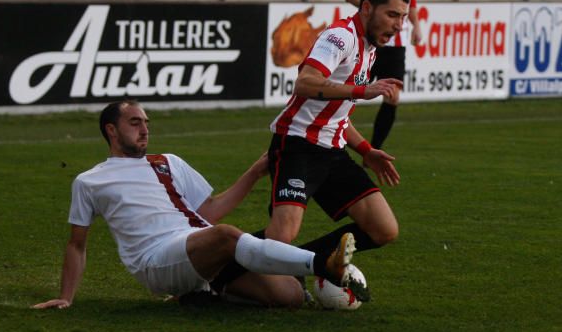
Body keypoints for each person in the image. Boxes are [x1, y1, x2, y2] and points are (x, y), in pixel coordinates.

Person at [32, 100, 367, 310]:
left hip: (197, 249)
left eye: (146, 123)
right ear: (111, 130)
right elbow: (77, 245)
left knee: (290, 298)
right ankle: (323, 264)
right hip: (156, 261)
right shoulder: (90, 180)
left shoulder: (168, 161)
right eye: (135, 123)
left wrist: (254, 172)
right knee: (225, 236)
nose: (144, 129)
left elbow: (207, 211)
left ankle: (205, 294)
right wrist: (66, 297)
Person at [263, 0, 408, 273]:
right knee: (281, 236)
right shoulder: (340, 37)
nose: (398, 25)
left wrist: (366, 150)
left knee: (384, 229)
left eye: (403, 17)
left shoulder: (369, 48)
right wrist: (360, 91)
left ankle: (302, 263)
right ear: (367, 8)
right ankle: (222, 267)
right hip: (298, 145)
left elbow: (336, 115)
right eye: (392, 15)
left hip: (333, 152)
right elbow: (305, 83)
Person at [345, 0, 423, 150]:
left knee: (393, 97)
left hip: (396, 45)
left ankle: (374, 150)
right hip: (371, 41)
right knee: (349, 94)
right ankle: (331, 136)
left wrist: (417, 25)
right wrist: (376, 13)